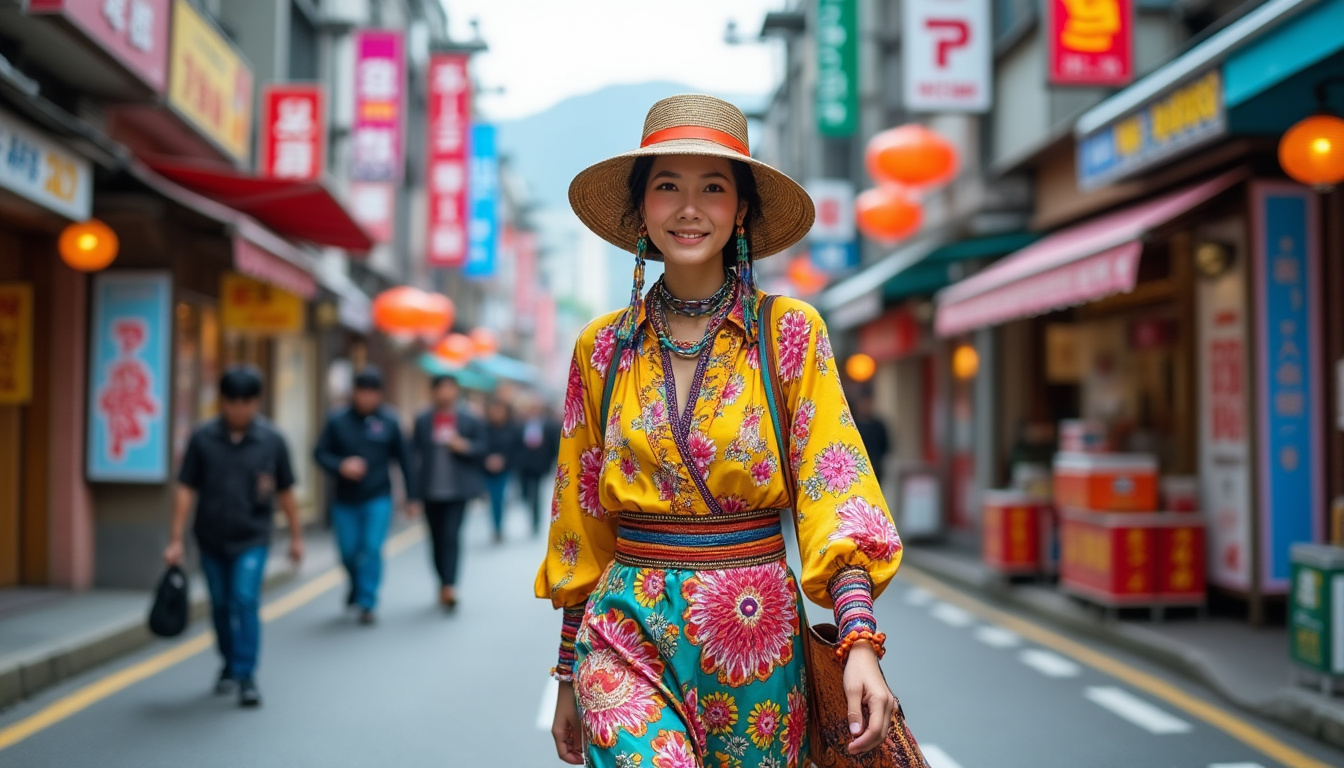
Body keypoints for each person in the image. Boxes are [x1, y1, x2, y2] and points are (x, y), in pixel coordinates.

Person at [538, 95, 902, 767]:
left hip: (758, 638)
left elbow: (837, 486)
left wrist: (858, 644)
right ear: (642, 209)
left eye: (713, 187)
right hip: (624, 632)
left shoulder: (789, 332)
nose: (688, 207)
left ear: (740, 210)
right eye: (667, 186)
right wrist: (566, 674)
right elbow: (580, 522)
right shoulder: (600, 349)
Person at [166, 365, 302, 708]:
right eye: (231, 402)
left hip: (252, 536)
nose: (238, 409)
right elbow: (186, 488)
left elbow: (286, 492)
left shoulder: (272, 440)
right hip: (210, 537)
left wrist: (296, 537)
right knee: (221, 604)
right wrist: (175, 538)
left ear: (256, 402)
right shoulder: (202, 438)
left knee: (245, 599)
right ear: (221, 402)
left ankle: (246, 674)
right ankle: (228, 661)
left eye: (246, 402)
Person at [313, 367, 418, 625]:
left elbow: (405, 460)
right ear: (354, 393)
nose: (367, 398)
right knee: (349, 552)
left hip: (378, 496)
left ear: (380, 394)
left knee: (371, 548)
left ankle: (367, 601)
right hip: (345, 500)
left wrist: (412, 498)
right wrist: (341, 466)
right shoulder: (337, 420)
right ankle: (356, 584)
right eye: (362, 392)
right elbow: (319, 453)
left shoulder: (390, 421)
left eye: (372, 393)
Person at [410, 375, 486, 609]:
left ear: (455, 392)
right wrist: (412, 495)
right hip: (430, 491)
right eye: (440, 389)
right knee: (435, 539)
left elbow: (482, 447)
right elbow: (413, 457)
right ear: (433, 392)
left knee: (451, 536)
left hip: (457, 491)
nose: (445, 393)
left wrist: (464, 446)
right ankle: (442, 580)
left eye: (449, 388)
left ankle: (449, 586)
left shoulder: (468, 420)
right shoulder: (423, 420)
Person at [515, 400, 561, 536]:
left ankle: (535, 520)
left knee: (535, 493)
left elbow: (554, 445)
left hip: (539, 465)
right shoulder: (521, 424)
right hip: (523, 465)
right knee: (525, 493)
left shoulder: (549, 425)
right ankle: (530, 508)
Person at [481, 397, 520, 543]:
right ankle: (496, 526)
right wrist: (487, 460)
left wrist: (504, 461)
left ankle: (499, 527)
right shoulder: (484, 428)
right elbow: (479, 447)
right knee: (493, 500)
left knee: (500, 499)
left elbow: (517, 450)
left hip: (505, 470)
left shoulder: (513, 428)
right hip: (487, 470)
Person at [852, 394, 892, 486]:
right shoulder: (853, 425)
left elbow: (886, 446)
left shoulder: (879, 425)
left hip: (877, 469)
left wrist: (877, 462)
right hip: (858, 470)